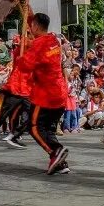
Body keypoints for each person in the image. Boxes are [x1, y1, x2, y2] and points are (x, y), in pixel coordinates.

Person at [16, 13, 70, 175]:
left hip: (45, 94)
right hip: (59, 92)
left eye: (31, 25)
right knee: (48, 130)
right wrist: (28, 13)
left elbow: (25, 65)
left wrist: (20, 53)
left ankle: (56, 152)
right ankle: (61, 164)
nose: (30, 28)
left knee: (34, 128)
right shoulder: (54, 39)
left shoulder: (39, 44)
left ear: (36, 26)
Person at [0, 35, 33, 150]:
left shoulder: (34, 52)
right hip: (15, 87)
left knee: (32, 115)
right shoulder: (17, 52)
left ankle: (14, 135)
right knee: (2, 115)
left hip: (28, 90)